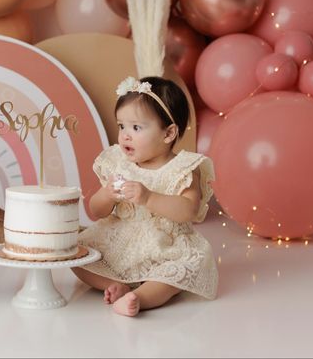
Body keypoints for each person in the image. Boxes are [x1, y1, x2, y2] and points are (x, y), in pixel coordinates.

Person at [73, 75, 218, 316]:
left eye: (136, 127)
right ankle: (118, 284)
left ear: (168, 133)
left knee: (182, 270)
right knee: (78, 255)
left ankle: (140, 296)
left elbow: (188, 211)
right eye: (121, 126)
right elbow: (95, 211)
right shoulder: (119, 163)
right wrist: (107, 195)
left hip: (165, 246)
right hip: (119, 242)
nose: (125, 135)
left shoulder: (182, 169)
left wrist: (149, 198)